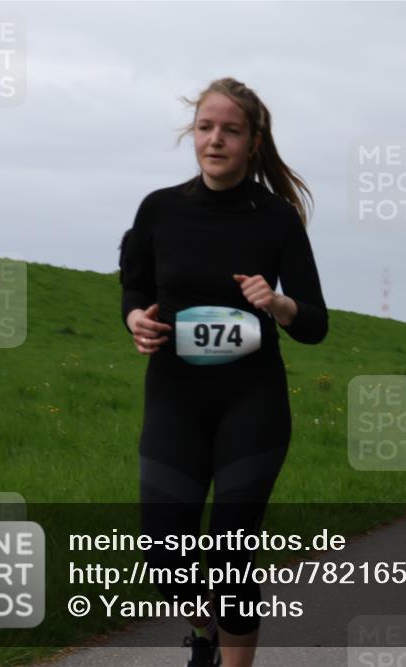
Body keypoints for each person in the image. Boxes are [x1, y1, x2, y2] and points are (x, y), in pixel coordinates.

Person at [119, 77, 327, 667]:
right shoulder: (159, 208)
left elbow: (314, 322)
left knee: (232, 559)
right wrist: (136, 317)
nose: (215, 141)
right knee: (163, 556)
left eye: (230, 130)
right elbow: (133, 282)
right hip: (174, 399)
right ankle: (205, 634)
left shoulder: (277, 219)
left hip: (251, 403)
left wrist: (278, 304)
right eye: (206, 128)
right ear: (194, 134)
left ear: (253, 140)